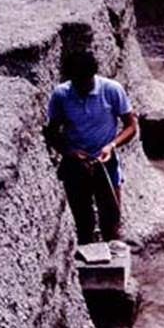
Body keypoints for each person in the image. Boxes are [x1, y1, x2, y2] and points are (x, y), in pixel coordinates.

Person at [46, 51, 138, 244]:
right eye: (77, 82)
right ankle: (90, 266)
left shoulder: (112, 90)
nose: (82, 87)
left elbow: (131, 127)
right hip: (76, 165)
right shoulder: (61, 95)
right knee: (83, 222)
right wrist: (70, 153)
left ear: (93, 75)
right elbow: (52, 133)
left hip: (106, 161)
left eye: (86, 82)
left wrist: (110, 146)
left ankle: (112, 265)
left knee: (111, 219)